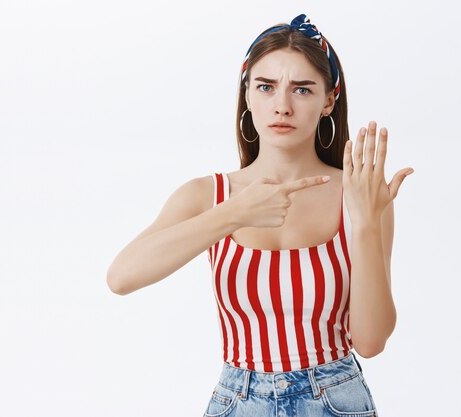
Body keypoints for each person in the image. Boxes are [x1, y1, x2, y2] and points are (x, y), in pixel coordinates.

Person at [106, 13, 414, 417]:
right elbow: (121, 277)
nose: (282, 106)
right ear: (247, 95)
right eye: (266, 87)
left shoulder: (359, 195)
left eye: (302, 90)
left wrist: (368, 222)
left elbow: (371, 342)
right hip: (238, 400)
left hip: (336, 400)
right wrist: (234, 212)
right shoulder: (208, 195)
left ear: (328, 100)